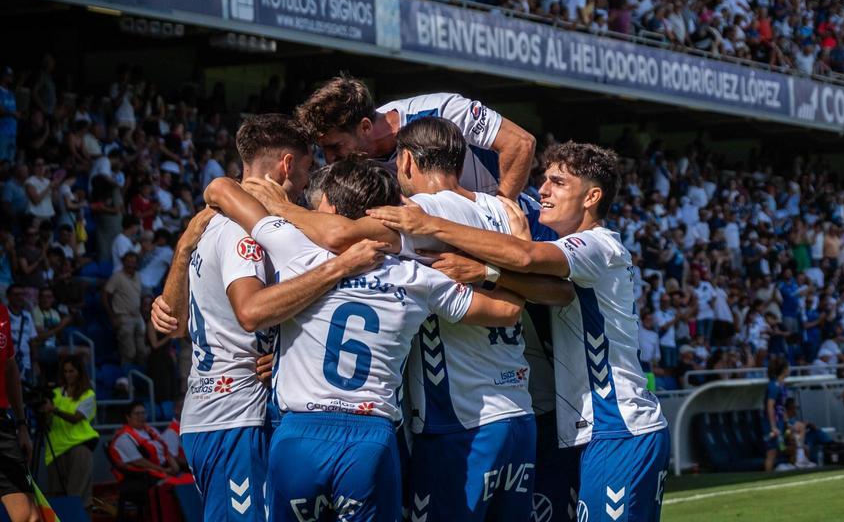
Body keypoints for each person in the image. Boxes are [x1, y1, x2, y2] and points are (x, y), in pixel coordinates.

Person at [204, 159, 526, 522]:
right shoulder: (416, 277)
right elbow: (507, 311)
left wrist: (275, 203)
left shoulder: (294, 246)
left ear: (329, 206)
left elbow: (219, 188)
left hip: (299, 436)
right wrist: (503, 259)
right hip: (370, 439)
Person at [367, 141, 671, 522]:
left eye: (558, 182)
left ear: (592, 196)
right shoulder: (573, 257)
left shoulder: (597, 245)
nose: (542, 190)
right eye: (544, 180)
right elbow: (552, 292)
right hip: (588, 430)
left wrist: (432, 225)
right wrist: (489, 272)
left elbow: (525, 258)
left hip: (620, 426)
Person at [150, 115, 387, 522]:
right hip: (237, 415)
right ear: (287, 164)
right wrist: (339, 268)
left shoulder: (209, 223)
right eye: (310, 169)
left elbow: (173, 322)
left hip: (212, 412)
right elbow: (251, 311)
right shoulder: (247, 232)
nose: (309, 183)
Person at [294, 76, 536, 198]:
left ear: (365, 127)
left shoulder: (443, 111)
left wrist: (500, 211)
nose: (329, 159)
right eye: (323, 149)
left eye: (335, 146)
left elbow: (521, 143)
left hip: (519, 222)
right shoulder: (358, 160)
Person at [43, 355, 99, 505]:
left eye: (71, 371)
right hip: (55, 449)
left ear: (80, 372)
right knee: (56, 497)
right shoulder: (54, 393)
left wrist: (53, 409)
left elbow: (76, 418)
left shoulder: (88, 394)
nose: (68, 375)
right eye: (65, 371)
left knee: (78, 496)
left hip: (79, 447)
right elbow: (46, 420)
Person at [0, 298, 37, 522]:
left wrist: (21, 424)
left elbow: (10, 368)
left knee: (29, 516)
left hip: (2, 425)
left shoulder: (2, 311)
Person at [762, 356, 789, 471]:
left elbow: (781, 406)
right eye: (788, 367)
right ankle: (767, 476)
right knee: (771, 452)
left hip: (780, 421)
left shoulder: (782, 385)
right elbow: (770, 406)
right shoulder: (773, 386)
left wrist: (786, 421)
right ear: (783, 370)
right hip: (772, 422)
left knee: (779, 449)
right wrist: (773, 426)